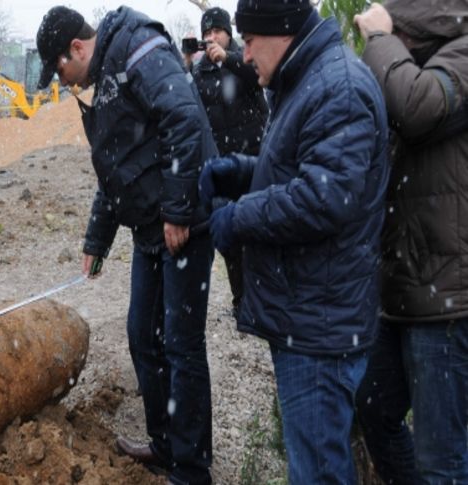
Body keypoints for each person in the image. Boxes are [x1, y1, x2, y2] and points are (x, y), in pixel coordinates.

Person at [198, 1, 389, 482]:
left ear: (279, 33)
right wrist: (243, 173)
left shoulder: (337, 88)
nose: (244, 52)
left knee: (318, 472)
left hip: (319, 326)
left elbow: (322, 200)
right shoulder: (307, 79)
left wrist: (238, 217)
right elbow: (300, 169)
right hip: (310, 314)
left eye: (249, 40)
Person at [36, 6, 219, 485]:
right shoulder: (98, 81)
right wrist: (97, 239)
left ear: (77, 48)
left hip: (185, 224)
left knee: (181, 347)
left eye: (60, 69)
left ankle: (193, 468)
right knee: (142, 336)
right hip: (148, 230)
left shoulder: (138, 48)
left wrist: (179, 210)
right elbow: (113, 168)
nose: (64, 80)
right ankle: (164, 444)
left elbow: (184, 118)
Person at [353, 1, 468, 483]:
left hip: (447, 296)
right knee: (374, 411)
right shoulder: (413, 54)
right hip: (401, 289)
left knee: (442, 460)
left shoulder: (461, 52)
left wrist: (380, 40)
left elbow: (419, 106)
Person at [189, 6, 268, 314]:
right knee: (230, 237)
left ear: (228, 33)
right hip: (222, 167)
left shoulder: (245, 57)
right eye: (206, 34)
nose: (211, 39)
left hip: (254, 159)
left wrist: (228, 59)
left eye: (216, 32)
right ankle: (242, 302)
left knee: (259, 230)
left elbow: (258, 77)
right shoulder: (200, 71)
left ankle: (264, 298)